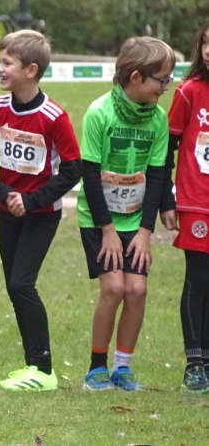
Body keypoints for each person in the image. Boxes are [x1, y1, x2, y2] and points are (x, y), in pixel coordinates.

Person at [0, 30, 81, 391]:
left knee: (21, 283)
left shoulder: (53, 116)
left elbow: (74, 168)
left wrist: (30, 200)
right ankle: (32, 366)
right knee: (14, 287)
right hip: (8, 212)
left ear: (31, 70)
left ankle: (44, 371)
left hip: (42, 214)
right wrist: (5, 193)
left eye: (6, 63)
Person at [77, 37, 175, 391]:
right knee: (114, 287)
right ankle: (96, 368)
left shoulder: (158, 118)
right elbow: (89, 174)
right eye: (162, 79)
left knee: (136, 289)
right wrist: (107, 230)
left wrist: (146, 231)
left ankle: (123, 368)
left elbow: (158, 174)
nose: (167, 86)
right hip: (99, 219)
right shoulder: (99, 112)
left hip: (136, 219)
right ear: (136, 77)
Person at [161, 20, 209, 393]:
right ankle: (195, 364)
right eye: (206, 43)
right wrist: (167, 199)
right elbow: (167, 149)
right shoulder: (188, 92)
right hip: (197, 203)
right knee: (199, 278)